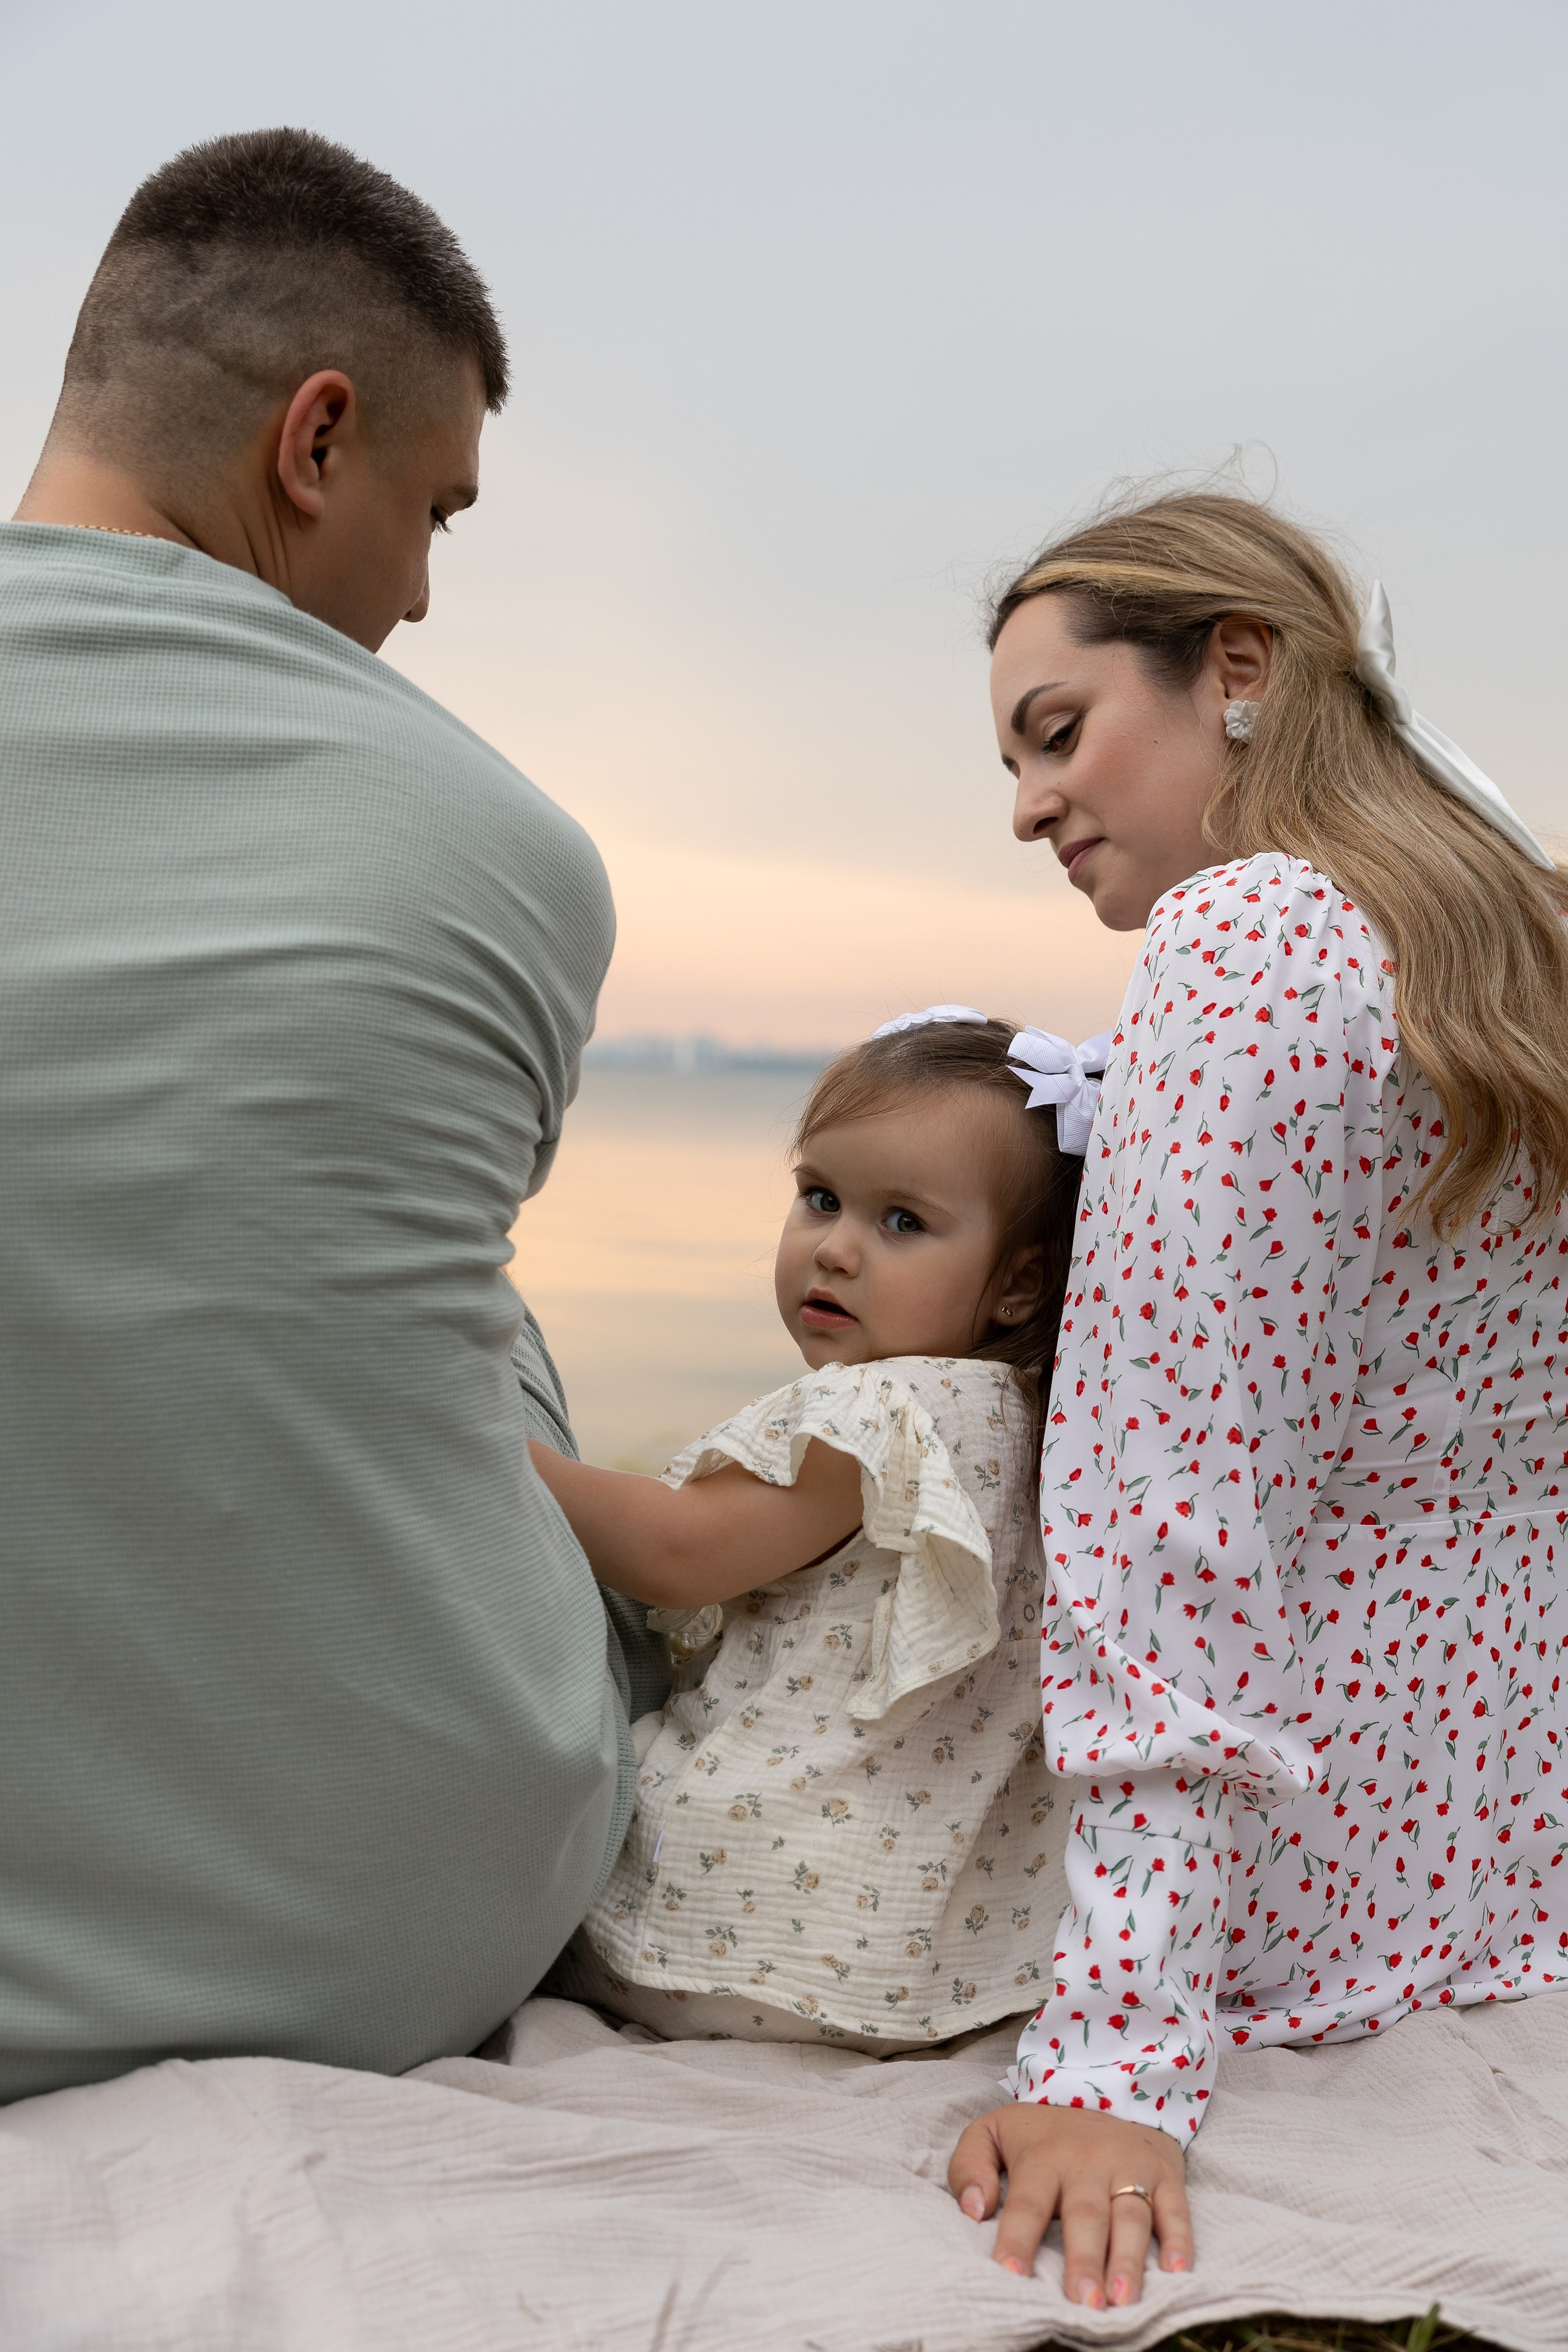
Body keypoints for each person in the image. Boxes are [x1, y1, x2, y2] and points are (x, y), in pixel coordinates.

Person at [0, 127, 663, 2101]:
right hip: (397, 1920)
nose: (428, 594)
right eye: (434, 511)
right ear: (316, 442)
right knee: (480, 1318)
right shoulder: (505, 850)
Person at [945, 491, 1568, 2308]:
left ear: (1240, 670)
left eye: (1058, 734)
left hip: (1270, 1899)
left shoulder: (1251, 944)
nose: (1029, 805)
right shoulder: (1510, 948)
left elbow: (1170, 1506)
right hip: (1499, 1869)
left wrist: (1118, 2058)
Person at [531, 1010, 1102, 2045]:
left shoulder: (881, 1414)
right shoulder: (1032, 1424)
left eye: (902, 1223)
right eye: (821, 1197)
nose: (834, 1248)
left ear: (1020, 1281)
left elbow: (676, 1553)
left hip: (738, 1920)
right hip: (912, 1949)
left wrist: (489, 1450)